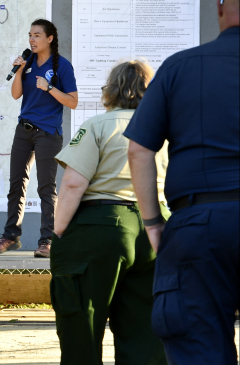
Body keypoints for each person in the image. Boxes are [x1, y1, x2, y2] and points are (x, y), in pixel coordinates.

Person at [125, 0, 239, 363]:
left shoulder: (180, 67)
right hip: (201, 223)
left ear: (220, 8)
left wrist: (153, 224)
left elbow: (139, 151)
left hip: (198, 225)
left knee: (199, 347)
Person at [51, 60, 169, 365]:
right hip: (155, 229)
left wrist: (60, 231)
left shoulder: (97, 125)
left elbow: (74, 184)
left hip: (101, 226)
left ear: (111, 89)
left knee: (83, 322)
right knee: (145, 327)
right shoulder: (165, 128)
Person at [0, 19, 78, 257]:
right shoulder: (27, 63)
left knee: (46, 188)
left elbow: (73, 102)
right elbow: (16, 94)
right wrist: (18, 71)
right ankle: (10, 236)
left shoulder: (62, 66)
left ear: (50, 39)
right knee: (16, 184)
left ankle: (47, 241)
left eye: (37, 35)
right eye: (30, 35)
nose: (32, 39)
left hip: (48, 133)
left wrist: (49, 88)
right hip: (23, 131)